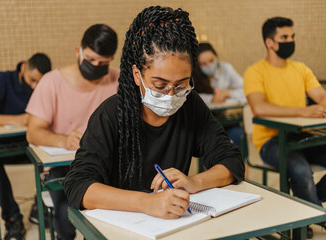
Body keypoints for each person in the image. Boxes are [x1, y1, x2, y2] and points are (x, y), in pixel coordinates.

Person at [64, 6, 244, 220]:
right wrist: (146, 202)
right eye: (160, 85)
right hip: (120, 225)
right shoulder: (111, 114)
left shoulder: (190, 104)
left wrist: (195, 182)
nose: (170, 95)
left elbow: (231, 160)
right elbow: (78, 186)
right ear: (137, 75)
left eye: (181, 85)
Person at [26, 24, 119, 240]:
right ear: (78, 51)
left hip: (105, 163)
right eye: (90, 59)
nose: (95, 66)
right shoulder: (51, 82)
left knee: (105, 218)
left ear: (112, 58)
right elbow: (33, 133)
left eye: (103, 63)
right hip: (64, 167)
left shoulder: (118, 79)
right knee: (65, 215)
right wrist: (64, 140)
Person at [244, 17, 326, 238]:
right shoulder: (255, 72)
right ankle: (317, 215)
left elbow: (321, 97)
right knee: (300, 170)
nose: (290, 41)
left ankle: (306, 204)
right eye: (284, 37)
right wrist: (302, 111)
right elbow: (259, 108)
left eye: (292, 37)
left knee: (303, 178)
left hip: (303, 136)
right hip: (271, 141)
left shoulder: (300, 69)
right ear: (269, 42)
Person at [0, 53, 52, 240]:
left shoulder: (48, 85)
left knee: (58, 153)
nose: (35, 86)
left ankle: (39, 207)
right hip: (8, 145)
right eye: (32, 80)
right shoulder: (2, 80)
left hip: (35, 143)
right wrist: (18, 120)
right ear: (23, 68)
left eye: (39, 83)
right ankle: (12, 218)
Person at [193, 42, 245, 149]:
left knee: (238, 136)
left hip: (227, 119)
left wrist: (228, 93)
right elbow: (190, 97)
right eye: (203, 64)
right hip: (205, 123)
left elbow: (245, 90)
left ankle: (241, 164)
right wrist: (211, 99)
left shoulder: (226, 68)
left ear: (216, 56)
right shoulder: (193, 75)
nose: (208, 66)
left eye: (211, 61)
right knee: (212, 143)